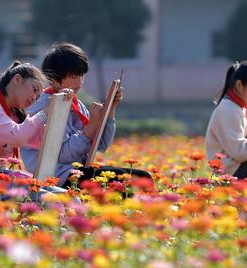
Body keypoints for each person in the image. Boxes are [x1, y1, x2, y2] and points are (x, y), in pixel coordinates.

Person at [20, 43, 152, 188]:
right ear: (54, 79)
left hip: (78, 169)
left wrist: (111, 109)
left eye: (82, 75)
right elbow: (65, 155)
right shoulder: (45, 106)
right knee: (129, 181)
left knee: (143, 177)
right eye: (74, 76)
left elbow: (101, 145)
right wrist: (91, 126)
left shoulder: (77, 104)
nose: (80, 82)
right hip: (56, 177)